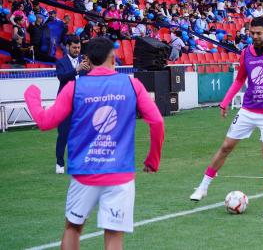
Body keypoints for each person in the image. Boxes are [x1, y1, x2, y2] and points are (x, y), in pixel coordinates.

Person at [24, 37, 164, 249]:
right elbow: (157, 121)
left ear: (87, 59)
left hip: (84, 173)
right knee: (114, 235)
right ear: (113, 56)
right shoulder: (132, 84)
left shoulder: (74, 87)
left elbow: (45, 122)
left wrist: (32, 95)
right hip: (120, 174)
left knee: (73, 228)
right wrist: (152, 160)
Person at [189, 17, 263, 218]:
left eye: (259, 33)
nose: (255, 36)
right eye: (252, 33)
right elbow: (240, 79)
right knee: (226, 147)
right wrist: (225, 102)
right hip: (248, 110)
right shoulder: (246, 54)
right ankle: (203, 186)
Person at [54, 36, 90, 174]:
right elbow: (61, 77)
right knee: (63, 134)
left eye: (79, 47)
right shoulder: (61, 62)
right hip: (64, 104)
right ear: (68, 47)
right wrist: (76, 69)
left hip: (81, 104)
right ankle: (59, 163)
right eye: (74, 47)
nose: (77, 50)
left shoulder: (85, 61)